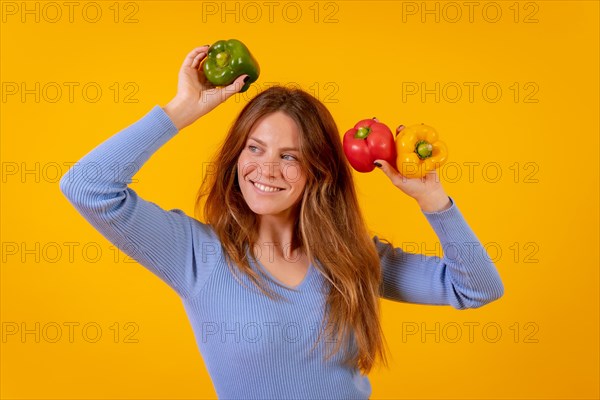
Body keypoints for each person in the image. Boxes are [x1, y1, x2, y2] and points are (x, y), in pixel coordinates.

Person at [59, 45, 504, 399]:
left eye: (289, 156)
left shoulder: (355, 259)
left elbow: (478, 287)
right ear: (237, 158)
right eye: (254, 149)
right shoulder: (196, 255)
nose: (266, 169)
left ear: (319, 171)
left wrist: (433, 199)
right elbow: (87, 187)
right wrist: (181, 109)